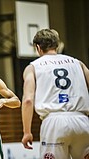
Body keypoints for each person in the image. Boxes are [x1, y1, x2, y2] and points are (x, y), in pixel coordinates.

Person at [21, 29, 89, 159]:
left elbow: (28, 100)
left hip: (54, 123)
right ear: (57, 46)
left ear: (38, 47)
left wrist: (27, 132)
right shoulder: (78, 63)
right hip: (82, 121)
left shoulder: (33, 67)